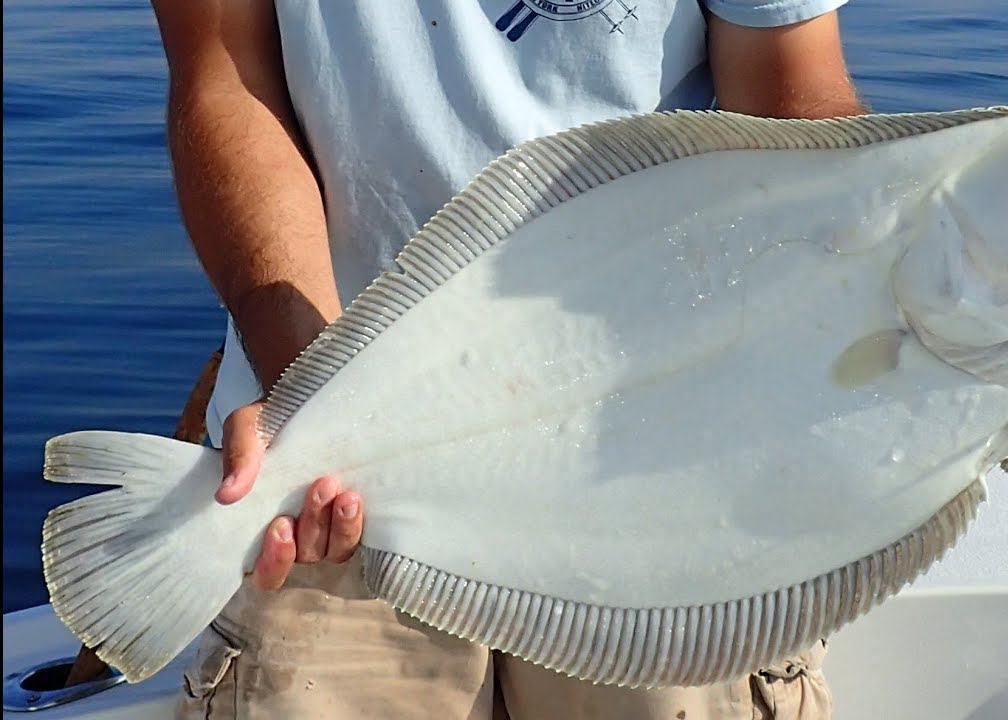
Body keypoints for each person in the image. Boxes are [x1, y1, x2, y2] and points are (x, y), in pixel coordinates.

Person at [150, 1, 868, 717]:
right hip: (328, 475)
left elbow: (786, 93)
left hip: (661, 464)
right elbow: (226, 75)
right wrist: (311, 391)